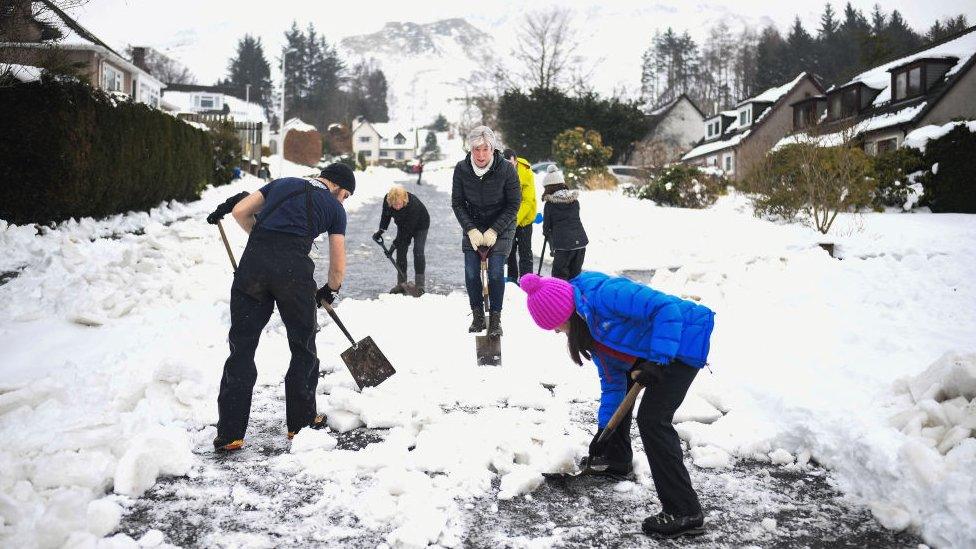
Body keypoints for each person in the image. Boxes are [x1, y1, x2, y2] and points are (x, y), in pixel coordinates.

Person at [519, 272, 715, 539]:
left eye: (556, 324)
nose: (555, 330)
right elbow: (613, 384)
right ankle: (616, 459)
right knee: (623, 385)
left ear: (567, 313)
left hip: (684, 339)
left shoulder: (605, 295)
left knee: (653, 420)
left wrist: (658, 360)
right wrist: (604, 434)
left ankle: (685, 512)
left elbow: (666, 308)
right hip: (654, 352)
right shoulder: (589, 327)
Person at [205, 163, 355, 452]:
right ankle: (300, 423)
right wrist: (331, 289)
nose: (343, 201)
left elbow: (239, 212)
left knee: (242, 347)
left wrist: (263, 244)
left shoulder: (283, 182)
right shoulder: (336, 210)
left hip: (253, 269)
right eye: (346, 195)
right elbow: (338, 263)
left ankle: (230, 434)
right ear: (338, 187)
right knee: (303, 345)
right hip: (293, 274)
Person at [451, 126, 521, 336]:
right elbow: (457, 203)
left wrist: (494, 230)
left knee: (496, 272)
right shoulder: (462, 169)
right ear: (470, 149)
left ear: (492, 149)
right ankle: (478, 316)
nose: (480, 155)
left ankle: (496, 319)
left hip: (501, 225)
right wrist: (471, 229)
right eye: (476, 150)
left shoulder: (507, 169)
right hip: (473, 225)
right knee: (472, 272)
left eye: (485, 149)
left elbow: (514, 204)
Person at [372, 185, 430, 294]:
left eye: (399, 204)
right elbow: (386, 216)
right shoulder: (388, 200)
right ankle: (401, 284)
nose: (397, 207)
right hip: (403, 223)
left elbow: (406, 232)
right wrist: (381, 230)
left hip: (420, 224)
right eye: (394, 205)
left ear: (404, 200)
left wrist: (393, 246)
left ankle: (420, 285)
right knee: (401, 250)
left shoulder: (413, 205)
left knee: (418, 251)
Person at [541, 165, 588, 280]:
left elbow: (547, 228)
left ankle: (561, 298)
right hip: (580, 243)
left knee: (559, 279)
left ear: (549, 187)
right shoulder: (575, 202)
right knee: (575, 278)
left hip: (563, 245)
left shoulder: (550, 205)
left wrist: (548, 236)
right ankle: (574, 297)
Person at [503, 148, 537, 284]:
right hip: (508, 220)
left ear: (515, 161)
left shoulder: (526, 172)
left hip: (524, 220)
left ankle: (526, 281)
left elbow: (527, 201)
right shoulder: (500, 171)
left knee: (525, 252)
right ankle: (511, 280)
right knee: (509, 251)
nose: (508, 167)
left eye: (510, 164)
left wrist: (514, 219)